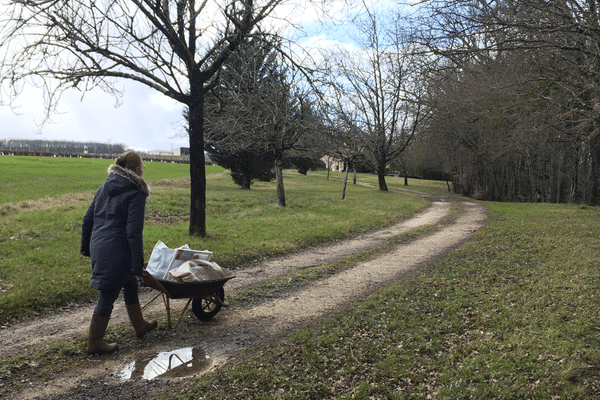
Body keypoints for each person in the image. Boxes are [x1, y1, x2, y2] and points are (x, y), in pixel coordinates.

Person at [80, 151, 157, 355]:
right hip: (118, 248)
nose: (143, 171)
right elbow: (133, 232)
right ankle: (94, 342)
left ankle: (139, 325)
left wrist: (86, 247)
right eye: (142, 167)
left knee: (129, 282)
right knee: (108, 293)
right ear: (135, 169)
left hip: (99, 245)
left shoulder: (103, 188)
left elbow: (87, 220)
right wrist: (138, 262)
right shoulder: (136, 192)